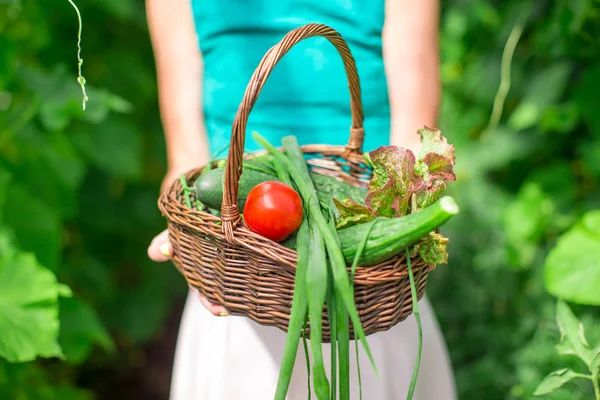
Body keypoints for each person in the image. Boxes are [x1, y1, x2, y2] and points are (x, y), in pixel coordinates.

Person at [145, 0, 457, 398]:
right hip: (238, 262)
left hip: (366, 272)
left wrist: (399, 219)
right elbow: (186, 160)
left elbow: (416, 136)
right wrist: (190, 233)